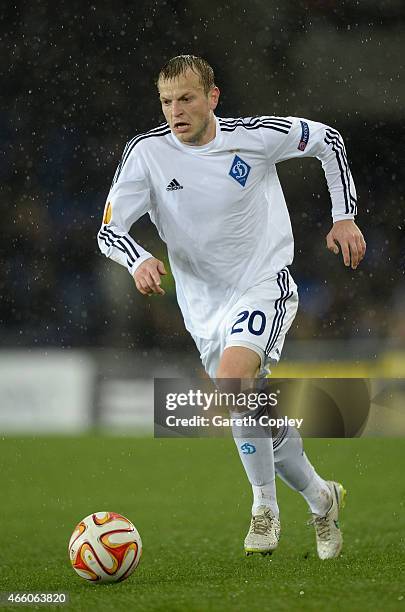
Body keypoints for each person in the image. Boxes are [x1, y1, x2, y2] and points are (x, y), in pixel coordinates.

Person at [98, 55, 366, 559]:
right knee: (249, 405)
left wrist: (343, 217)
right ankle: (321, 495)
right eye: (166, 101)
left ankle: (264, 508)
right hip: (202, 306)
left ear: (212, 97)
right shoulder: (147, 154)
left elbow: (329, 140)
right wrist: (137, 260)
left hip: (263, 282)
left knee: (234, 384)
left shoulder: (255, 136)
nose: (175, 111)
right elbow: (109, 228)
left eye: (186, 99)